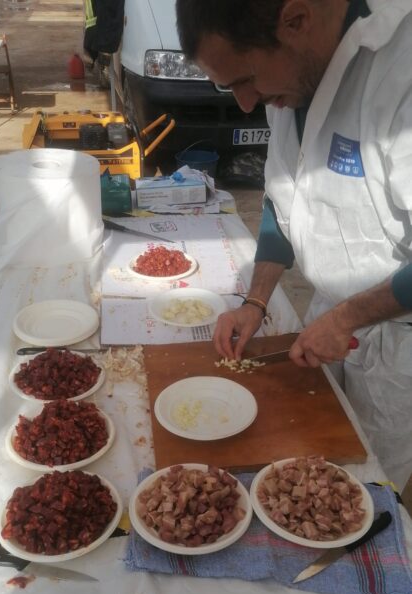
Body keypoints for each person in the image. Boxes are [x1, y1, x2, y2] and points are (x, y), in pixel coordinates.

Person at [176, 0, 412, 492]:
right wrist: (255, 301)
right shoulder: (292, 80)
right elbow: (285, 198)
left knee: (377, 495)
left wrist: (346, 319)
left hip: (400, 348)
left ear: (297, 19)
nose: (244, 103)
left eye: (244, 79)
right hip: (335, 322)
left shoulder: (400, 74)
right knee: (312, 476)